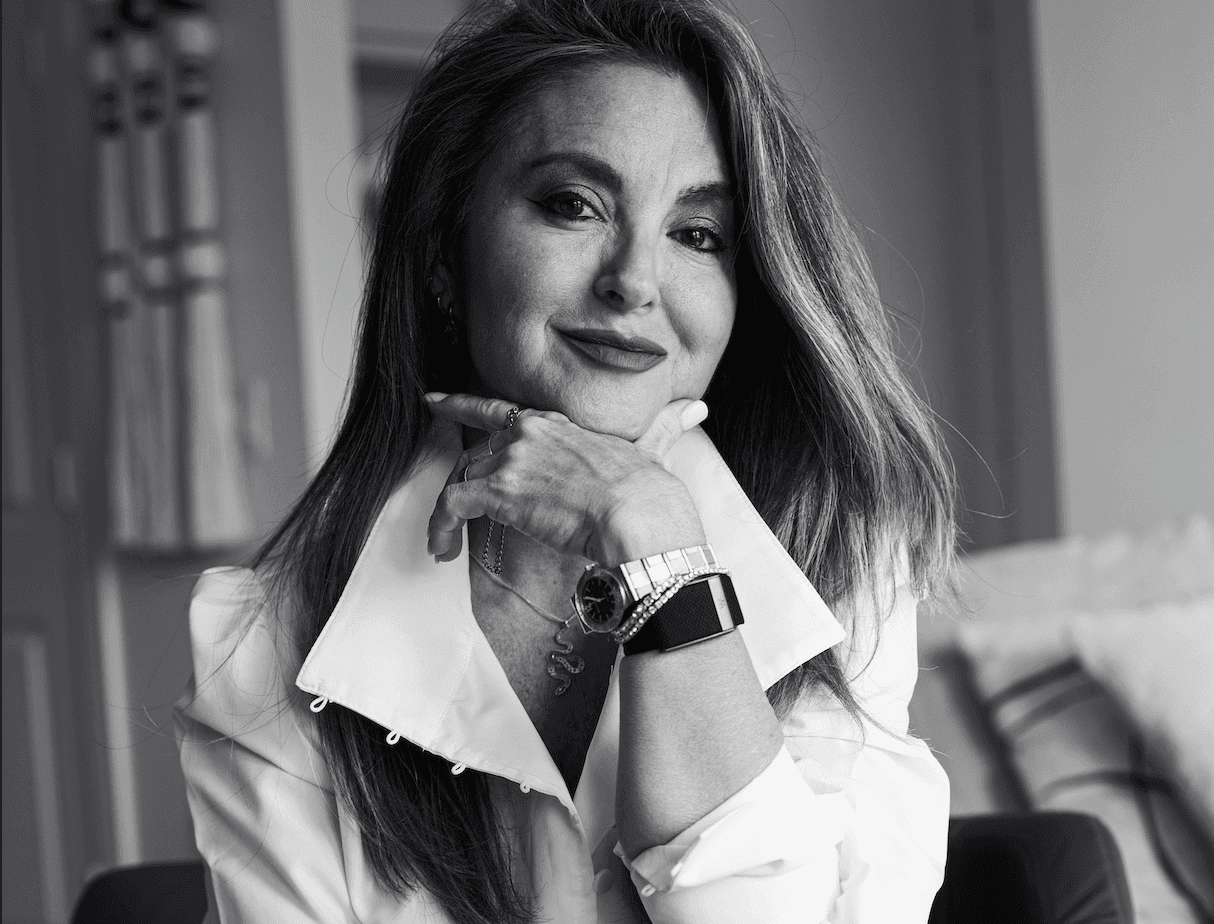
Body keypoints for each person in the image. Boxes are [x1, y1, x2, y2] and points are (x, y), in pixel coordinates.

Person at [176, 1, 958, 921]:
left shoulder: (840, 564)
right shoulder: (262, 648)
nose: (635, 280)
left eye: (697, 234)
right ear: (441, 255)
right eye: (573, 205)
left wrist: (661, 549)